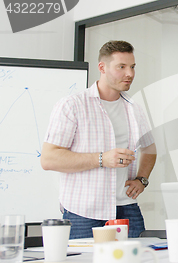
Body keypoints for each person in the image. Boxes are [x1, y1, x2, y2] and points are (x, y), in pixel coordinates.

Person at [41, 40, 157, 239]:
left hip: (126, 208)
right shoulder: (72, 105)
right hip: (83, 211)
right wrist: (102, 159)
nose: (129, 73)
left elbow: (150, 148)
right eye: (121, 66)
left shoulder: (134, 108)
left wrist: (141, 179)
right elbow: (49, 159)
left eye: (132, 66)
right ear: (102, 68)